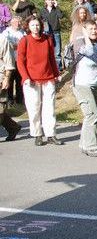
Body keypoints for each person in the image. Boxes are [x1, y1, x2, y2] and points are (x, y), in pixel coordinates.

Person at [16, 15, 63, 146]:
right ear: (28, 27)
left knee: (50, 108)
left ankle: (51, 134)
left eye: (37, 25)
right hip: (31, 80)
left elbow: (52, 59)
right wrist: (25, 77)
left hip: (48, 78)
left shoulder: (47, 39)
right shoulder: (24, 41)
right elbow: (20, 61)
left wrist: (56, 74)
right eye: (32, 25)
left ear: (41, 26)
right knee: (34, 108)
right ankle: (37, 134)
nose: (35, 28)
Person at [72, 20, 97, 157]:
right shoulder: (80, 43)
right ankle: (91, 147)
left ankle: (84, 144)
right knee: (93, 115)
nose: (94, 31)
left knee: (90, 115)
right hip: (82, 84)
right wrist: (85, 35)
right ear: (84, 30)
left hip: (94, 85)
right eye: (90, 29)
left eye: (95, 28)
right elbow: (89, 51)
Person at [0, 31, 21, 141]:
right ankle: (13, 127)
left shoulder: (3, 40)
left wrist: (7, 78)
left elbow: (9, 60)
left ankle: (13, 128)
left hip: (1, 76)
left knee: (0, 108)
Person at [2, 17, 25, 105]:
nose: (18, 24)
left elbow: (24, 44)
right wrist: (16, 45)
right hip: (9, 61)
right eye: (16, 22)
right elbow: (6, 44)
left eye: (19, 22)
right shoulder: (6, 32)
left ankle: (19, 99)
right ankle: (9, 99)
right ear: (11, 23)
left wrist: (18, 46)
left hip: (20, 60)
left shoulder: (22, 32)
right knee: (10, 81)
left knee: (19, 81)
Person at [39, 0, 65, 70]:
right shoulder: (42, 10)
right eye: (49, 0)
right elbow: (39, 20)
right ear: (46, 1)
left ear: (54, 1)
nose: (50, 2)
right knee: (47, 51)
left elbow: (61, 16)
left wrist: (57, 6)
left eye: (51, 0)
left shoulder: (56, 9)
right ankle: (48, 67)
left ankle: (58, 69)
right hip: (46, 33)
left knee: (57, 52)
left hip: (56, 32)